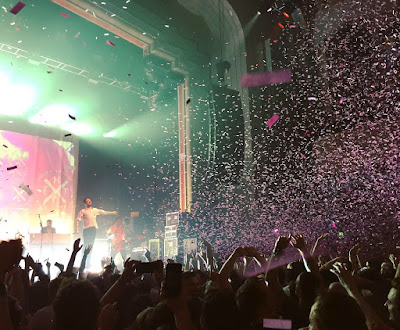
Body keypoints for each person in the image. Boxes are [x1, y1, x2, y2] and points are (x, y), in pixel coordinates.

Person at [75, 198, 118, 268]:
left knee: (91, 246)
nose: (90, 202)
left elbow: (103, 212)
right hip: (86, 229)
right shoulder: (83, 211)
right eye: (88, 201)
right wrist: (76, 229)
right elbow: (77, 219)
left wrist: (112, 212)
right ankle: (83, 261)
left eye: (90, 201)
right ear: (85, 203)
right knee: (86, 245)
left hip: (93, 229)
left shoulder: (94, 210)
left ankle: (88, 263)